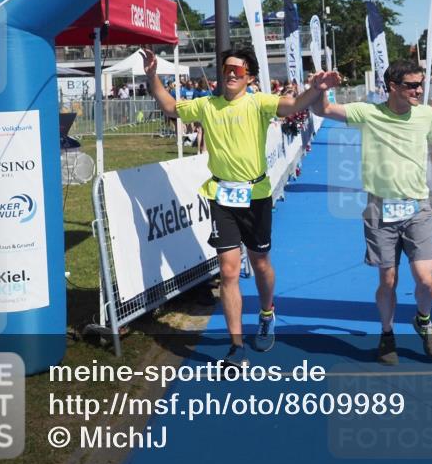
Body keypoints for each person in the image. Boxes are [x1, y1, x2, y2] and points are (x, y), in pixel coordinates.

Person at [144, 46, 339, 365]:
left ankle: (266, 312)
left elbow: (292, 105)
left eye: (238, 70)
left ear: (249, 78)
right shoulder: (207, 105)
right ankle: (236, 347)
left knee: (260, 263)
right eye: (227, 69)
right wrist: (152, 75)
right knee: (229, 270)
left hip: (256, 195)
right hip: (222, 196)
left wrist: (316, 88)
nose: (231, 74)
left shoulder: (259, 102)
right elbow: (168, 106)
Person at [314, 59, 432, 365]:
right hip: (381, 209)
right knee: (388, 280)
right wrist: (321, 88)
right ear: (392, 87)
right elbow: (323, 111)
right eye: (411, 85)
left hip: (417, 206)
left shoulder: (426, 114)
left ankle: (423, 318)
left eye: (421, 84)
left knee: (425, 280)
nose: (418, 90)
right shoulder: (368, 113)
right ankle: (387, 333)